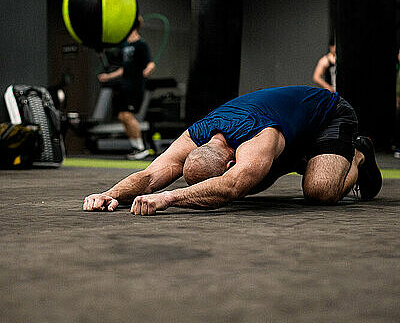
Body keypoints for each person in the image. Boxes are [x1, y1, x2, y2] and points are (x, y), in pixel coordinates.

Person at [83, 85, 382, 215]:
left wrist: (168, 198)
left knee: (320, 191)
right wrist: (110, 194)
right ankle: (301, 158)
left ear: (229, 163)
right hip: (288, 128)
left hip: (327, 114)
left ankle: (357, 154)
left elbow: (228, 187)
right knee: (256, 179)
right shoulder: (197, 134)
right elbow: (150, 176)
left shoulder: (258, 138)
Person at [98, 16, 155, 160]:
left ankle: (142, 148)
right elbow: (124, 68)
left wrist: (146, 72)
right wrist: (108, 76)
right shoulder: (125, 46)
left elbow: (150, 64)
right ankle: (135, 147)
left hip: (135, 87)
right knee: (122, 116)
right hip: (124, 86)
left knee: (128, 116)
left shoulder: (141, 44)